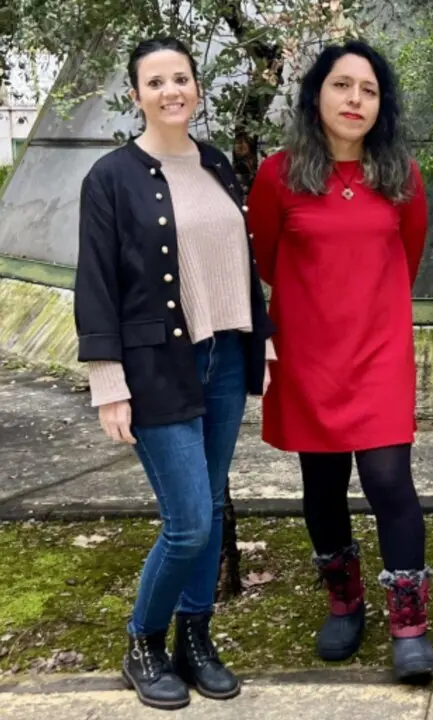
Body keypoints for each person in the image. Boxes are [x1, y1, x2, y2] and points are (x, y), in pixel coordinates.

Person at [74, 37, 275, 710]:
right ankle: (143, 643)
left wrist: (262, 343)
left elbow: (239, 269)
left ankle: (196, 637)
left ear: (196, 87)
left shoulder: (216, 164)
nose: (171, 91)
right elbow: (95, 285)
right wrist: (108, 383)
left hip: (224, 358)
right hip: (157, 365)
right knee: (187, 521)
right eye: (155, 82)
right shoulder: (110, 177)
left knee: (213, 506)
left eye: (181, 78)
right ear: (136, 95)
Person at [246, 40, 433, 681]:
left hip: (380, 354)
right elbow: (268, 260)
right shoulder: (278, 175)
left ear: (382, 106)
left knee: (389, 482)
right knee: (322, 485)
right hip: (309, 358)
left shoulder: (400, 175)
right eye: (341, 85)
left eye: (369, 90)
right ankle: (344, 601)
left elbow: (404, 262)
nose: (355, 99)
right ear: (316, 95)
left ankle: (409, 622)